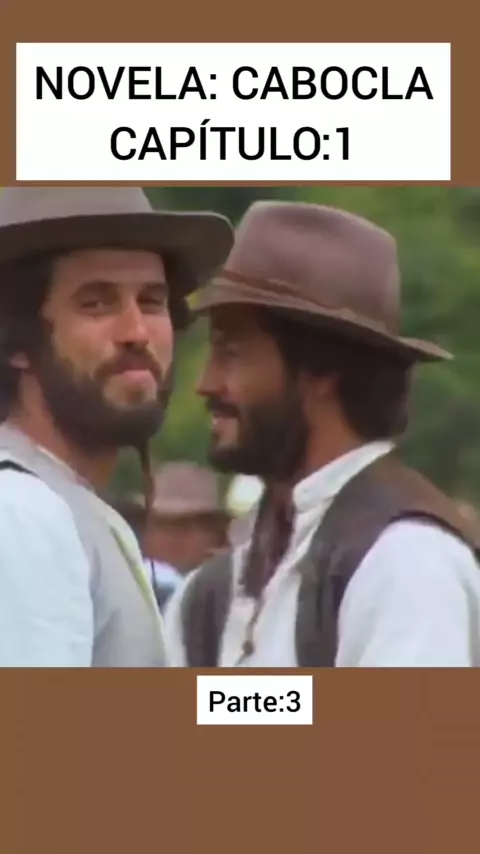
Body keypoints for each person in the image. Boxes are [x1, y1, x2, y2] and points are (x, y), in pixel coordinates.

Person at [165, 199, 480, 668]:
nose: (206, 384)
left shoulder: (406, 562)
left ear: (322, 367)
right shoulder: (207, 597)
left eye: (232, 352)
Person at [0, 186, 233, 666]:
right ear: (17, 342)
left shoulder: (60, 504)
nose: (136, 332)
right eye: (96, 304)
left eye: (151, 302)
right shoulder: (20, 512)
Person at [137, 461, 231, 576]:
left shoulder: (231, 580)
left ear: (215, 534)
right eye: (162, 524)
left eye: (183, 526)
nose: (171, 538)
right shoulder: (128, 579)